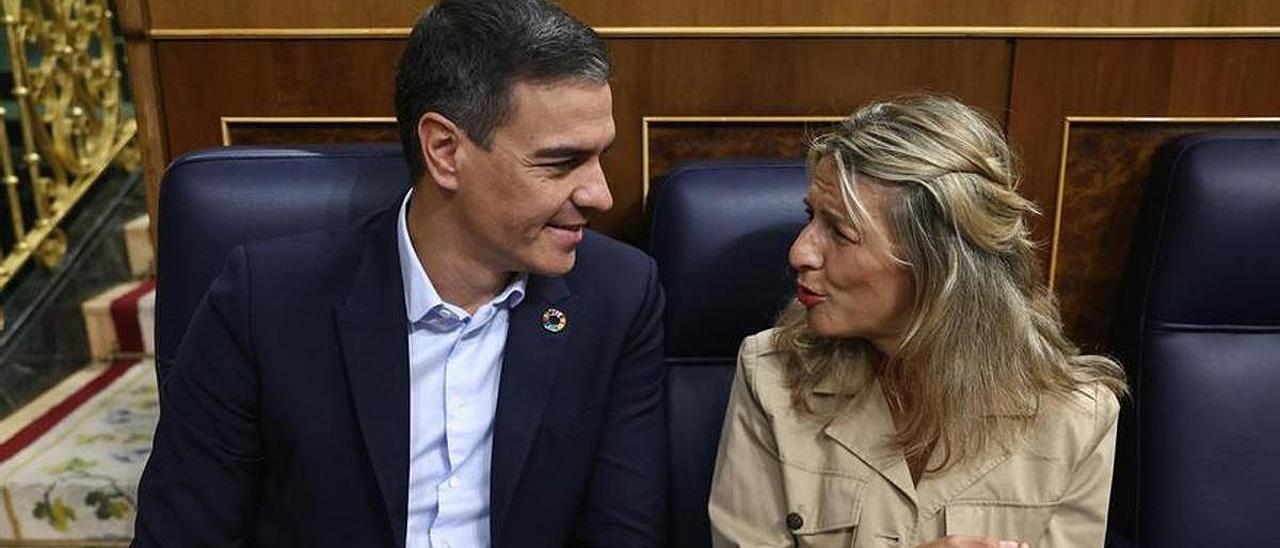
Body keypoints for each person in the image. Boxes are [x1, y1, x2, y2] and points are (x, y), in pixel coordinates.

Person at [133, 1, 666, 546]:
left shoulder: (619, 296)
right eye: (559, 163)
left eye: (600, 157)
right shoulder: (263, 303)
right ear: (444, 151)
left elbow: (622, 534)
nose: (599, 194)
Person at [708, 95, 1126, 548]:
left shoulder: (1078, 418)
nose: (800, 251)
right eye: (811, 217)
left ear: (938, 265)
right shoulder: (770, 376)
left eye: (840, 232)